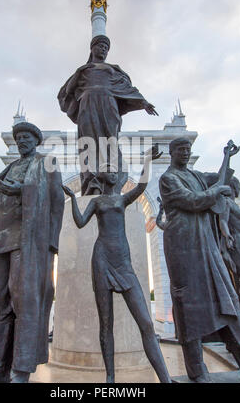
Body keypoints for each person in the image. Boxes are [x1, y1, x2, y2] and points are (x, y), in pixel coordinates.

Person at [0, 122, 64, 383]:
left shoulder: (46, 164)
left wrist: (50, 243)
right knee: (0, 305)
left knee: (24, 304)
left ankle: (20, 369)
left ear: (36, 140)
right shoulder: (10, 169)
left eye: (26, 137)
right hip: (1, 242)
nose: (21, 141)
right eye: (18, 137)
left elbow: (56, 201)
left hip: (28, 243)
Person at [63, 155, 171, 383]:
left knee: (147, 323)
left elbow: (142, 186)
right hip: (102, 260)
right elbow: (81, 222)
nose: (112, 172)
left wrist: (148, 161)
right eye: (108, 170)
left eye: (114, 170)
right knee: (106, 323)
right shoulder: (97, 201)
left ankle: (165, 378)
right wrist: (73, 198)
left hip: (123, 263)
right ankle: (110, 377)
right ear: (101, 177)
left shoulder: (122, 200)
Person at [159, 137, 240, 383]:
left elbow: (221, 181)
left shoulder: (197, 176)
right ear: (172, 152)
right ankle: (197, 370)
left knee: (226, 300)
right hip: (182, 248)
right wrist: (216, 191)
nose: (186, 153)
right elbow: (193, 201)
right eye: (181, 149)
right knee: (188, 305)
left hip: (205, 246)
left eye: (188, 149)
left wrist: (227, 156)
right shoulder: (168, 179)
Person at [58, 35, 158, 195]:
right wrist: (78, 73)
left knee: (110, 142)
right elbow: (67, 92)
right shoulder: (84, 70)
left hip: (109, 107)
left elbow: (126, 88)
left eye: (106, 47)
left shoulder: (114, 69)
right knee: (88, 143)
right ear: (92, 48)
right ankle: (92, 183)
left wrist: (143, 102)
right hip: (88, 106)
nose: (103, 49)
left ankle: (109, 182)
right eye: (100, 46)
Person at [219, 176, 240, 322]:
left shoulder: (233, 203)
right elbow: (223, 221)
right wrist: (227, 235)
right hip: (237, 245)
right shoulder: (226, 202)